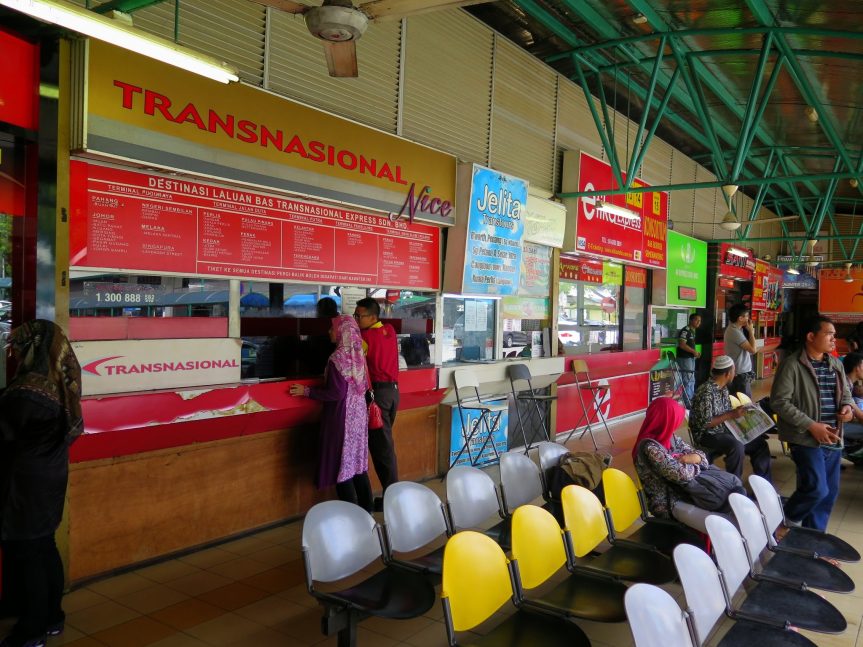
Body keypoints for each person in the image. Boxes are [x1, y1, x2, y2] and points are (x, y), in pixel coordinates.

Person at [0, 320, 83, 647]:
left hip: (23, 483)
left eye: (18, 347)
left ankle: (32, 629)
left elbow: (6, 433)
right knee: (43, 545)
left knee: (26, 551)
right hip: (49, 477)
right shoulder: (58, 384)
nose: (14, 353)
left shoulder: (27, 390)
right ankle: (52, 615)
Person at [770, 314, 854, 532]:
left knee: (828, 495)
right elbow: (779, 402)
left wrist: (847, 409)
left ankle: (813, 545)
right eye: (829, 334)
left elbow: (846, 395)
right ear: (811, 336)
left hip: (833, 437)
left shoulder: (835, 363)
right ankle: (784, 524)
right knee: (816, 489)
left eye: (835, 335)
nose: (834, 339)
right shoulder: (792, 365)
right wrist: (811, 425)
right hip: (805, 438)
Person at [289, 315, 372, 511]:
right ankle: (366, 510)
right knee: (357, 464)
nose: (329, 332)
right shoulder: (359, 355)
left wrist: (307, 391)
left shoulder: (337, 358)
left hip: (342, 417)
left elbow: (336, 393)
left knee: (342, 466)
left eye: (332, 328)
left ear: (342, 332)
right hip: (358, 416)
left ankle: (353, 516)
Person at [689, 355, 772, 482]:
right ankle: (734, 485)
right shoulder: (706, 392)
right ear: (728, 373)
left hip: (724, 430)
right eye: (734, 371)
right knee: (736, 446)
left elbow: (727, 413)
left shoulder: (723, 389)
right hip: (707, 434)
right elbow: (705, 424)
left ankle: (764, 483)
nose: (735, 374)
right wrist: (731, 414)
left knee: (760, 444)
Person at [354, 297, 400, 509]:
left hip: (378, 398)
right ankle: (393, 493)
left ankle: (392, 497)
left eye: (359, 316)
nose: (356, 319)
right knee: (386, 446)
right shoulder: (389, 331)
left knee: (382, 449)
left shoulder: (364, 338)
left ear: (373, 317)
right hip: (393, 395)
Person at [633, 396, 709, 521]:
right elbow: (683, 474)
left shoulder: (670, 437)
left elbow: (700, 456)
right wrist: (694, 460)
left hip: (682, 491)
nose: (678, 424)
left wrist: (691, 459)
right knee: (714, 516)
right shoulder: (650, 448)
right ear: (667, 420)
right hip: (668, 502)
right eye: (676, 420)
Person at [724, 303, 757, 397]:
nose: (749, 319)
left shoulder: (738, 329)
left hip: (740, 373)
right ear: (740, 318)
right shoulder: (734, 331)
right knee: (744, 404)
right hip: (739, 374)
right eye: (746, 316)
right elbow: (753, 350)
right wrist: (751, 331)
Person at [676, 313, 701, 405]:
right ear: (691, 320)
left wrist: (695, 353)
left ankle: (690, 399)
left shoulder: (692, 331)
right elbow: (682, 344)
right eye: (697, 320)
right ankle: (687, 402)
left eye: (700, 321)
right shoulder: (685, 331)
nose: (699, 322)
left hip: (690, 358)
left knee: (692, 379)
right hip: (684, 358)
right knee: (688, 379)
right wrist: (693, 352)